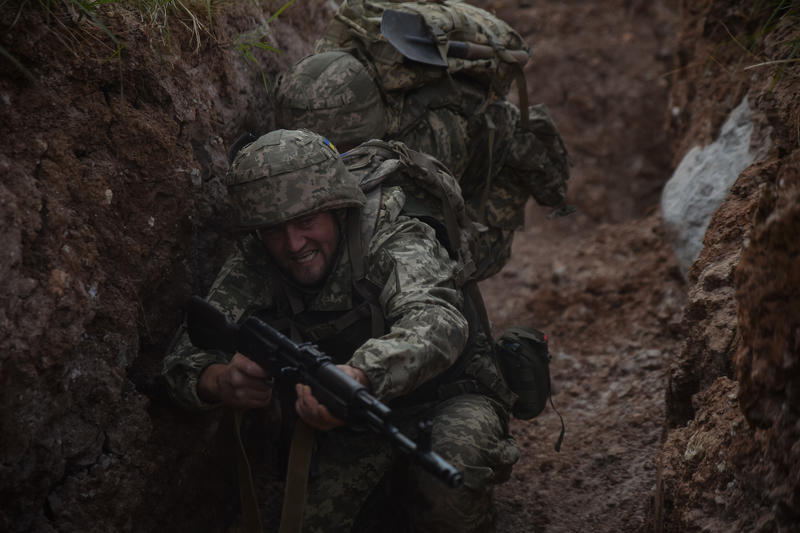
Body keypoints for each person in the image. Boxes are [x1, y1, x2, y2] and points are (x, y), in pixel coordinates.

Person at [162, 129, 519, 532]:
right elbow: (183, 356)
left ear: (338, 208)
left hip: (446, 397)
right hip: (349, 422)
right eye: (275, 229)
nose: (294, 244)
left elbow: (437, 321)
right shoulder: (257, 258)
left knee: (449, 489)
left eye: (306, 221)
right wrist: (218, 380)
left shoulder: (390, 233)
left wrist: (360, 373)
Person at [273, 13, 570, 280]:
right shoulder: (314, 91)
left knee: (454, 264)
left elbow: (439, 233)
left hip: (500, 164)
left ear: (365, 129)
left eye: (339, 150)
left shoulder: (431, 136)